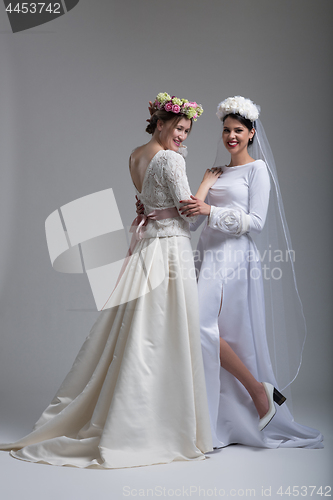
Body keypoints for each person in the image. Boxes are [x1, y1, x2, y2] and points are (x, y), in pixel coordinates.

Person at [0, 93, 216, 468]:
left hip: (147, 246)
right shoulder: (169, 159)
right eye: (179, 128)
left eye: (186, 131)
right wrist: (207, 185)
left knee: (139, 328)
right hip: (169, 249)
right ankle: (157, 423)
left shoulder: (135, 155)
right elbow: (189, 212)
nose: (183, 137)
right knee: (166, 330)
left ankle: (136, 409)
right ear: (161, 123)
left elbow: (147, 203)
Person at [179, 96, 323, 448]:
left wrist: (210, 209)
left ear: (252, 132)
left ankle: (258, 395)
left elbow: (256, 223)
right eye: (226, 130)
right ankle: (222, 420)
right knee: (201, 330)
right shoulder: (217, 172)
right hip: (208, 256)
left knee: (209, 329)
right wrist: (200, 190)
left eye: (238, 130)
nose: (231, 136)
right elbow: (193, 222)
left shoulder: (257, 170)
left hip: (234, 259)